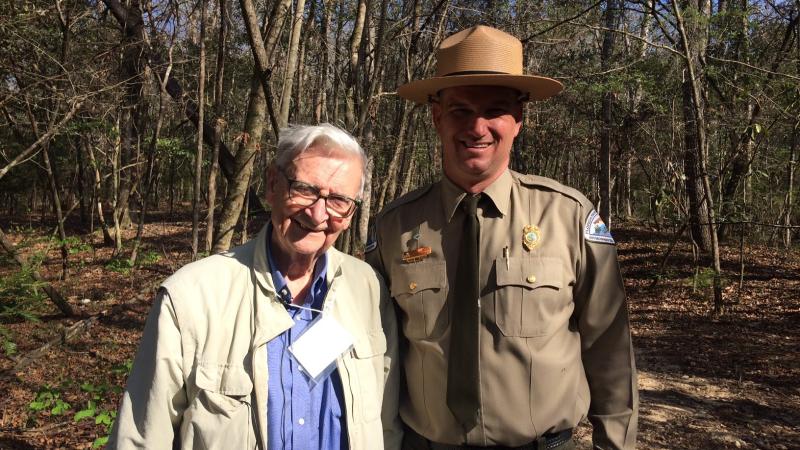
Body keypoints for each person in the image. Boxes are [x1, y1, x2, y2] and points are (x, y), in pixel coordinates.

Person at [365, 25, 637, 449]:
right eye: (460, 110)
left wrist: (616, 443)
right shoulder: (394, 227)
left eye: (494, 110)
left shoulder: (567, 216)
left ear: (518, 120)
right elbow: (374, 350)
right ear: (437, 117)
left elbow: (609, 344)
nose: (477, 127)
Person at [109, 123, 402, 450]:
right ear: (272, 185)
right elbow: (141, 439)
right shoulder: (191, 297)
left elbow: (387, 426)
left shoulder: (369, 290)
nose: (319, 213)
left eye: (338, 200)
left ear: (350, 213)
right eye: (305, 189)